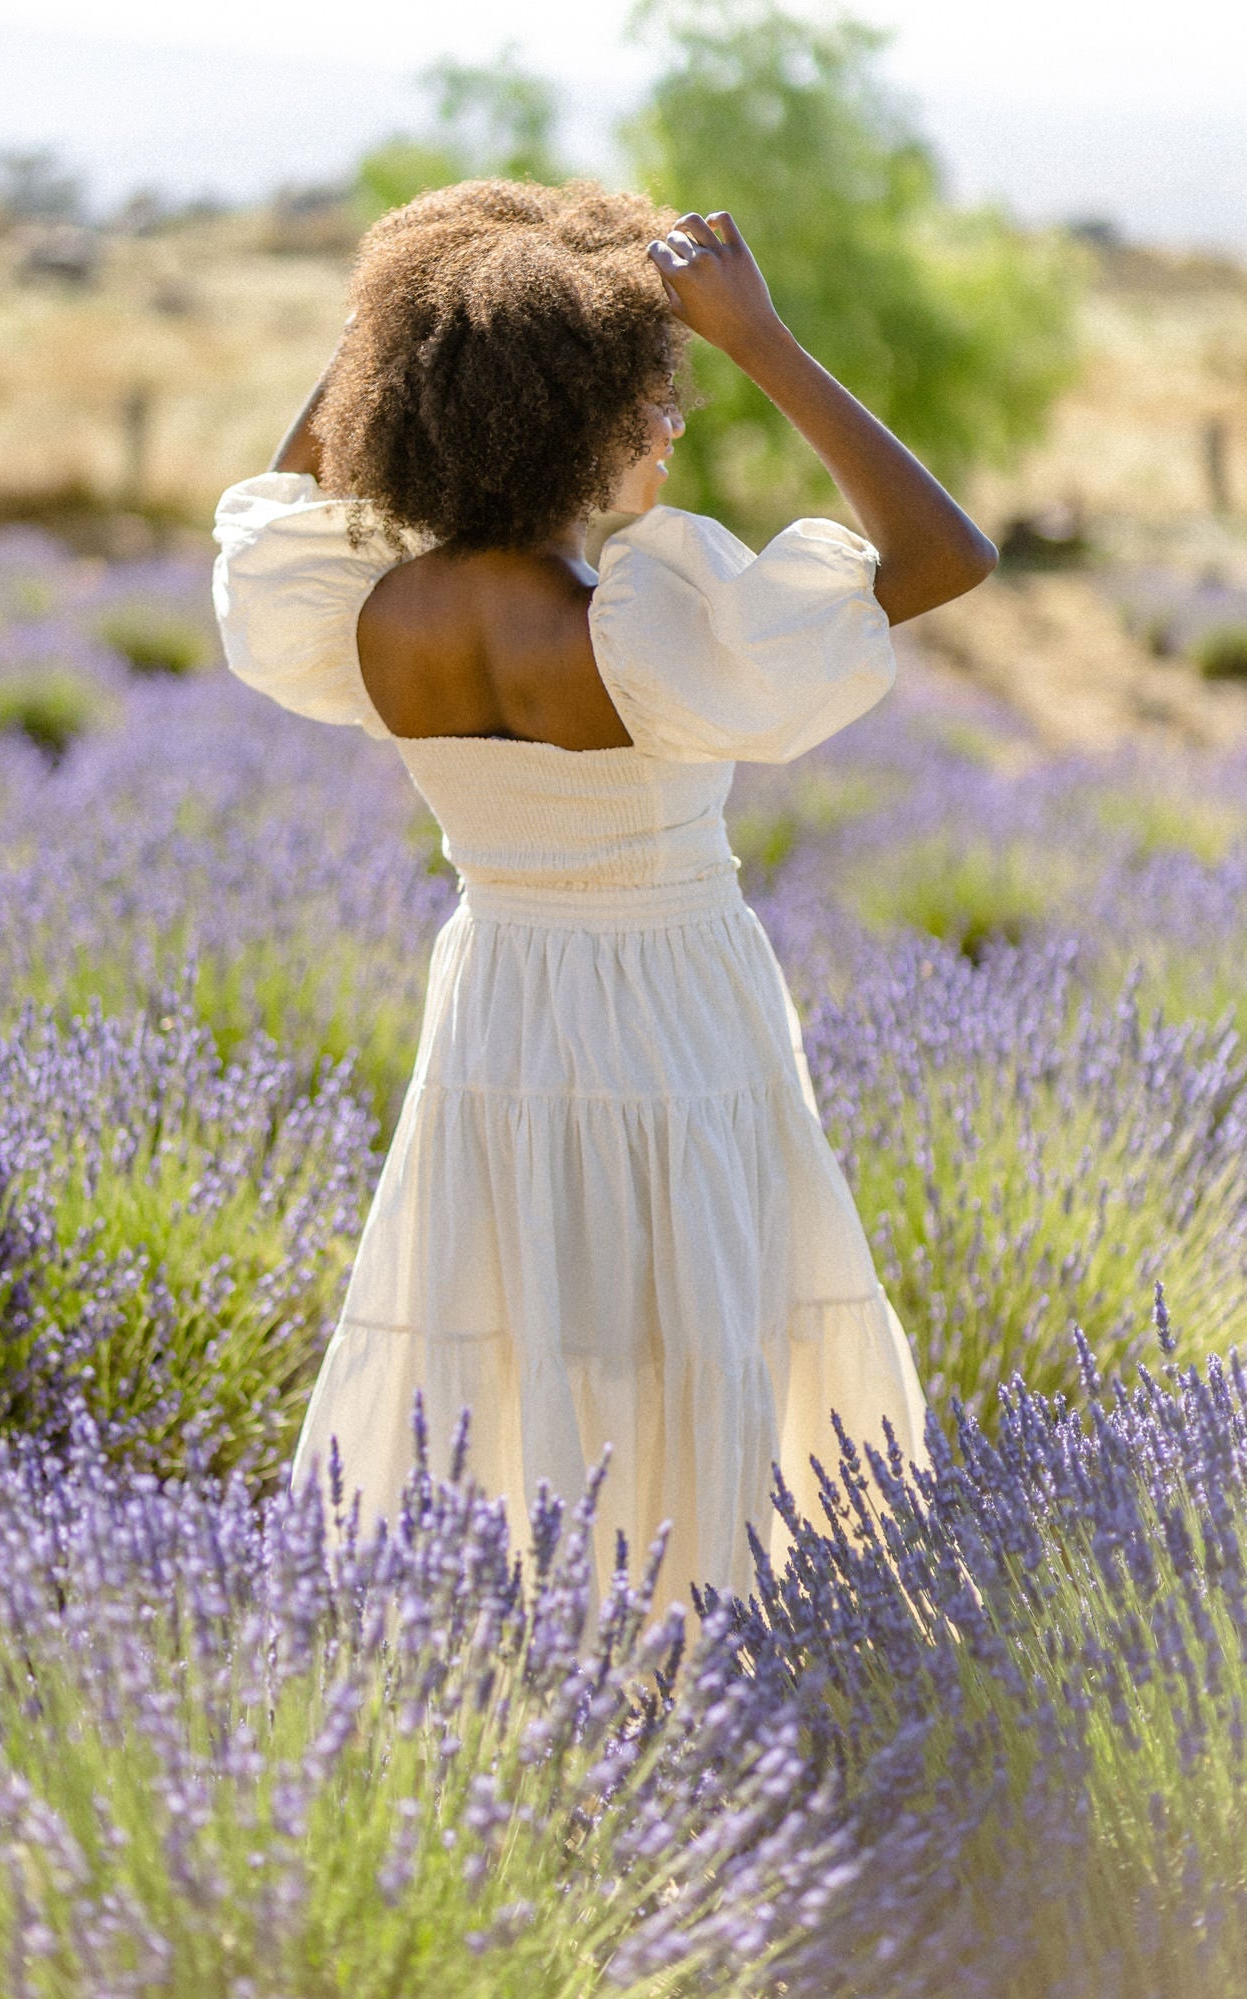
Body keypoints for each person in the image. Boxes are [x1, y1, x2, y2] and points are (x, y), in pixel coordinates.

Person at [211, 178, 997, 1631]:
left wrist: (389, 328)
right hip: (672, 1009)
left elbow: (292, 498)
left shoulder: (366, 609)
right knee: (696, 1322)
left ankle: (524, 1656)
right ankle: (695, 1646)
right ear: (588, 420)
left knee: (512, 1327)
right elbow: (946, 555)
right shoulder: (648, 625)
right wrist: (761, 342)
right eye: (658, 398)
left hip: (503, 997)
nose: (670, 425)